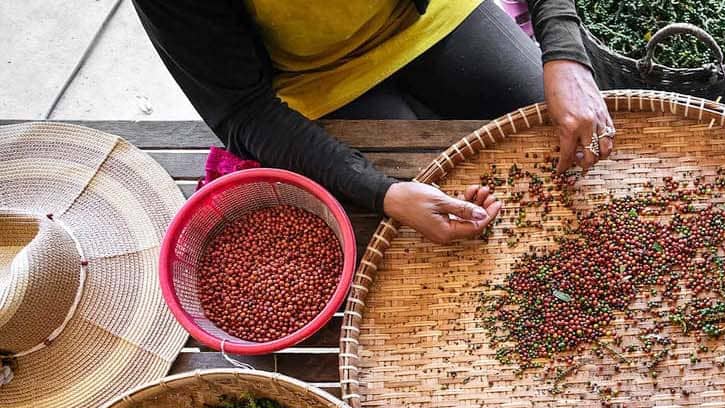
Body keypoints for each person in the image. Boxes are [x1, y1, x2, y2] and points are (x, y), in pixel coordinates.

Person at [134, 0, 616, 244]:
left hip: (430, 15)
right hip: (315, 76)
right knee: (422, 238)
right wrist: (382, 192)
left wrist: (565, 54)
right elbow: (241, 109)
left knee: (569, 149)